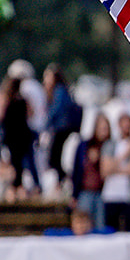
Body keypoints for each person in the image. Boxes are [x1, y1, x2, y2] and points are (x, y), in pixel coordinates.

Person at [0, 75, 40, 201]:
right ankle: (21, 188)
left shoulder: (6, 99)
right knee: (21, 165)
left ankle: (14, 189)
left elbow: (0, 116)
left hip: (11, 137)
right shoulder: (23, 100)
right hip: (23, 136)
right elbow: (31, 113)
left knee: (14, 164)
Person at [43, 66, 82, 196]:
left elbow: (56, 109)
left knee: (54, 157)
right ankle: (61, 180)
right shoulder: (62, 90)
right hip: (62, 127)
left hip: (62, 128)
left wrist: (46, 124)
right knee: (56, 157)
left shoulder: (59, 90)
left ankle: (64, 179)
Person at [102, 112, 130, 233]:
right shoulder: (110, 145)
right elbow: (105, 171)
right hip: (111, 195)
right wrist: (125, 154)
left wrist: (114, 168)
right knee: (110, 231)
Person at [71, 114, 110, 231]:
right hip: (85, 191)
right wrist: (74, 194)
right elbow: (77, 170)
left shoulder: (109, 147)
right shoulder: (84, 146)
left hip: (102, 193)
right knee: (83, 225)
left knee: (100, 226)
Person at [44, 207, 114, 237]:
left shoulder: (94, 234)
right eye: (78, 223)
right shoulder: (68, 234)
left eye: (84, 223)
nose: (81, 226)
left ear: (90, 224)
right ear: (72, 225)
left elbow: (110, 230)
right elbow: (48, 232)